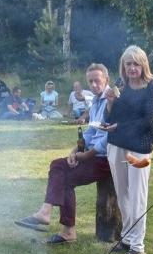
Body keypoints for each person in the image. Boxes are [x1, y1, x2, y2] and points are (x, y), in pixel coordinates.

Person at [14, 64, 113, 244]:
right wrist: (74, 152)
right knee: (57, 164)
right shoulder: (96, 102)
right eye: (90, 81)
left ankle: (65, 228)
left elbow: (109, 138)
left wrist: (86, 155)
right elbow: (90, 132)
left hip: (105, 159)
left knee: (66, 179)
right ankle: (48, 213)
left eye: (97, 81)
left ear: (107, 80)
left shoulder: (111, 101)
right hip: (90, 155)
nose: (93, 85)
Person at [104, 45, 153, 254]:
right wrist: (109, 102)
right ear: (123, 66)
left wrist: (120, 127)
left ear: (143, 64)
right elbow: (109, 119)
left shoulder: (150, 86)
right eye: (128, 64)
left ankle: (138, 246)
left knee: (138, 196)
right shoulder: (120, 85)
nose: (132, 68)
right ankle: (126, 238)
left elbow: (148, 121)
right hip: (116, 144)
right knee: (122, 194)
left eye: (136, 63)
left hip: (139, 147)